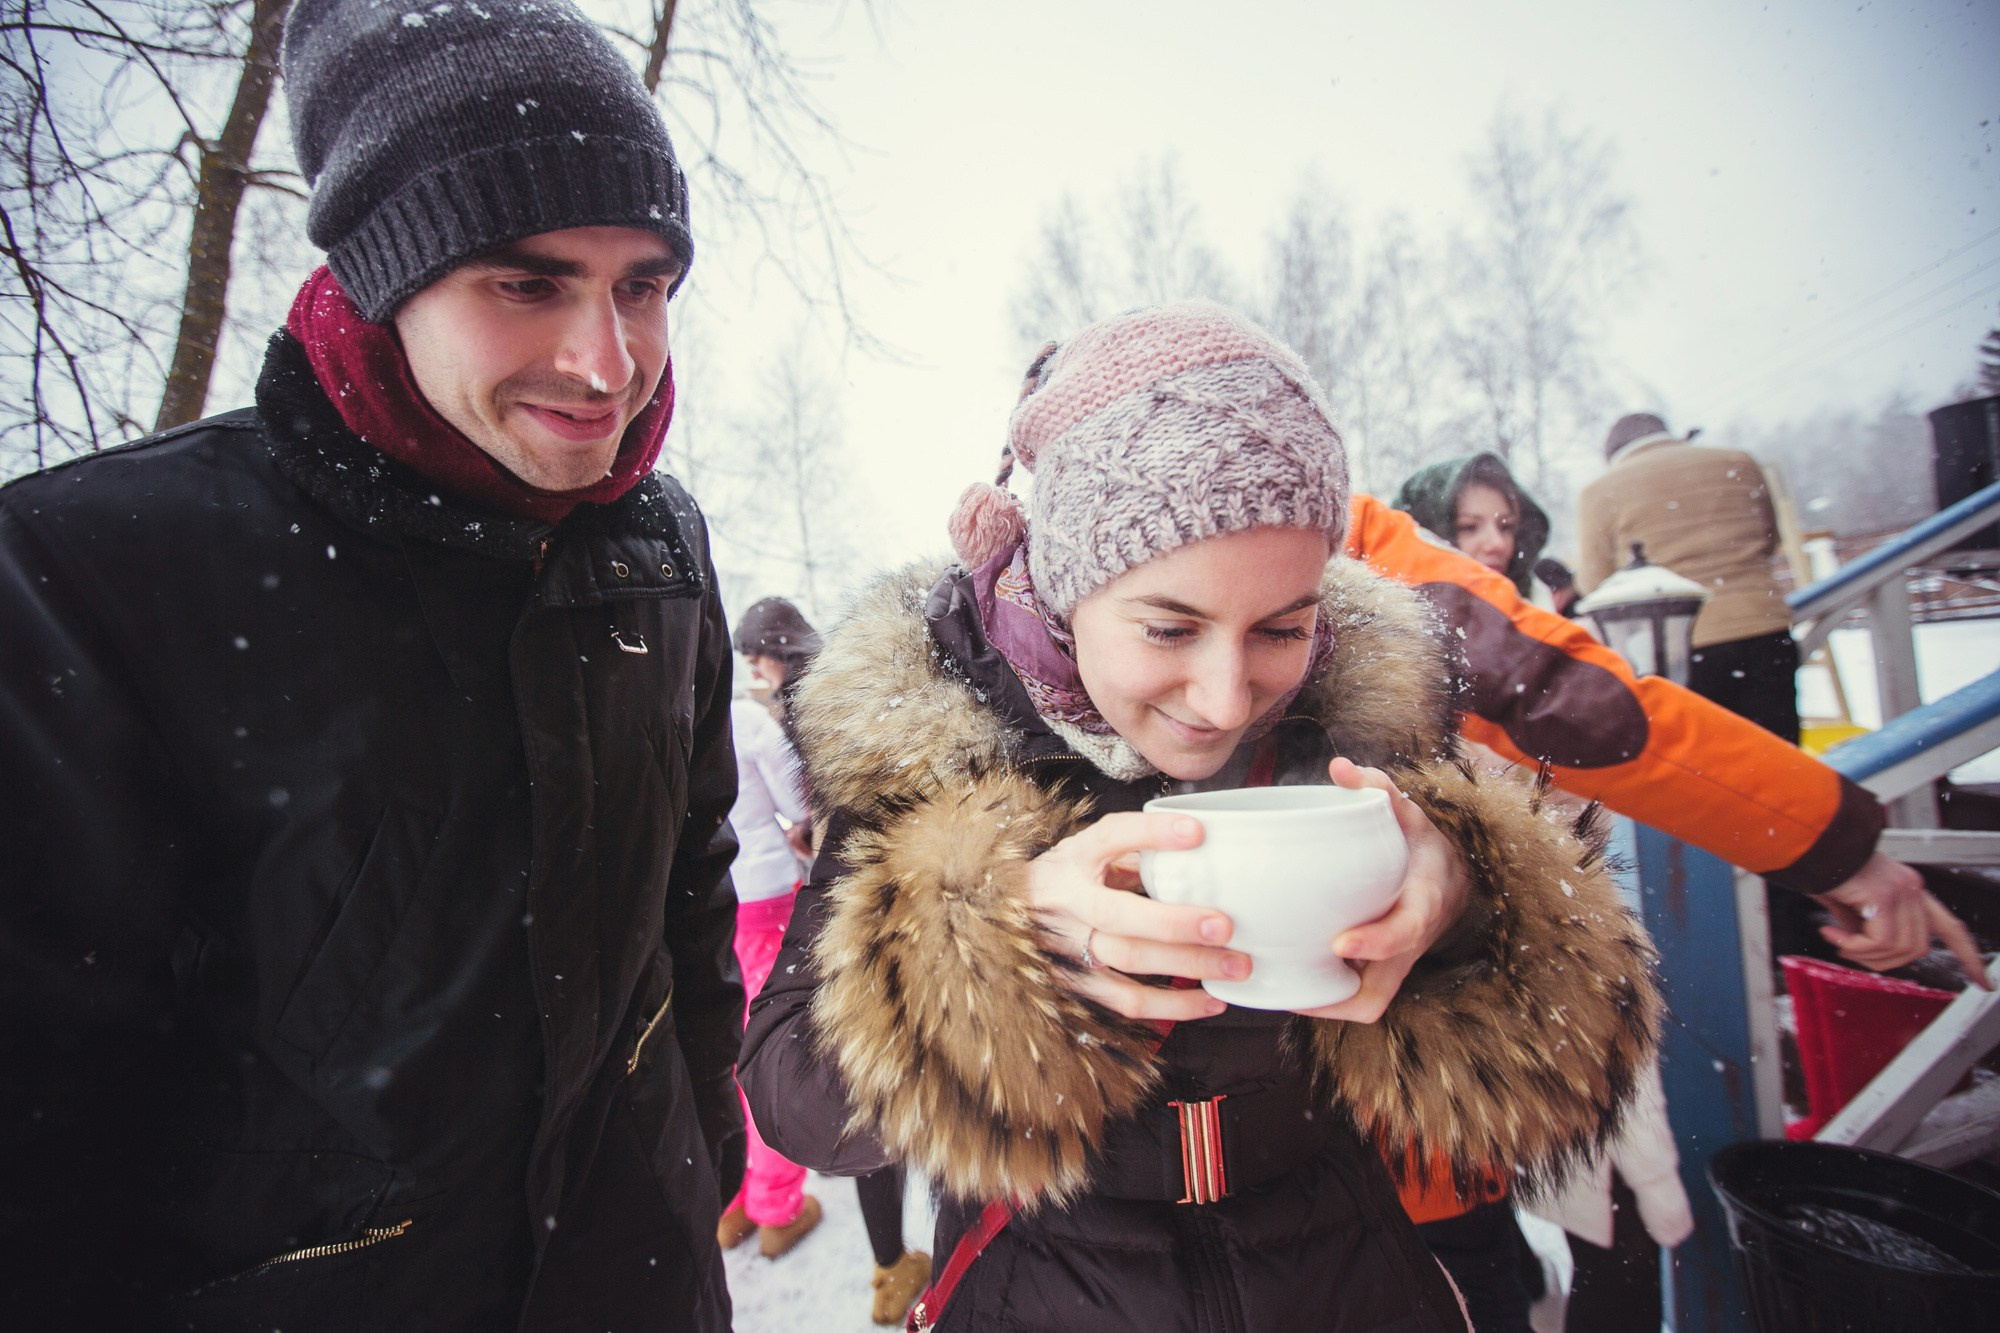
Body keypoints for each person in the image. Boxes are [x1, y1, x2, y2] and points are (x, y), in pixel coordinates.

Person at [0, 2, 743, 1328]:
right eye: (528, 282)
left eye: (644, 284)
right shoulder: (90, 571)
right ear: (388, 275)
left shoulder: (656, 548)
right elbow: (45, 1103)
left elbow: (687, 893)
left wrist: (703, 1171)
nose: (607, 361)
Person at [740, 302, 1662, 1331]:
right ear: (1063, 584)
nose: (1226, 698)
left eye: (1281, 626)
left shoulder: (1358, 722)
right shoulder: (933, 737)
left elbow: (1579, 1049)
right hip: (1038, 1286)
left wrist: (1468, 907)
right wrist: (990, 950)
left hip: (1350, 1280)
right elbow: (792, 1094)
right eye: (1168, 626)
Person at [1392, 450, 1693, 1331]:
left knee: (1609, 1181)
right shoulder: (1392, 667)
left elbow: (1589, 797)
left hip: (1558, 946)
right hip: (1445, 992)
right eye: (1468, 527)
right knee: (1464, 1213)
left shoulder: (1540, 660)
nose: (1491, 544)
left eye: (1505, 526)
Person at [729, 597, 935, 1326]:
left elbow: (830, 816)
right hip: (861, 907)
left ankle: (889, 1264)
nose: (754, 669)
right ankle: (896, 1262)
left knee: (868, 1085)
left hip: (832, 907)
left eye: (758, 654)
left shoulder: (803, 709)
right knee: (881, 1084)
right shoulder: (822, 703)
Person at [1577, 413, 1798, 742]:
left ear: (1613, 454)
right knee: (1779, 758)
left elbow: (1595, 583)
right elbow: (1769, 538)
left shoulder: (1601, 491)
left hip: (1678, 649)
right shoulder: (1738, 462)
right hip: (1764, 628)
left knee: (1709, 768)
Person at [717, 603, 823, 1261]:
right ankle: (776, 1204)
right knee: (769, 1048)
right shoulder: (746, 719)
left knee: (718, 1045)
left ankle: (728, 1201)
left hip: (702, 900)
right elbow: (801, 799)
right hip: (763, 899)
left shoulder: (666, 706)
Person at [1392, 450, 1574, 613]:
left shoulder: (1541, 615)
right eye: (1469, 527)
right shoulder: (1384, 635)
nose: (1497, 543)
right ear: (1427, 535)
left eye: (1506, 526)